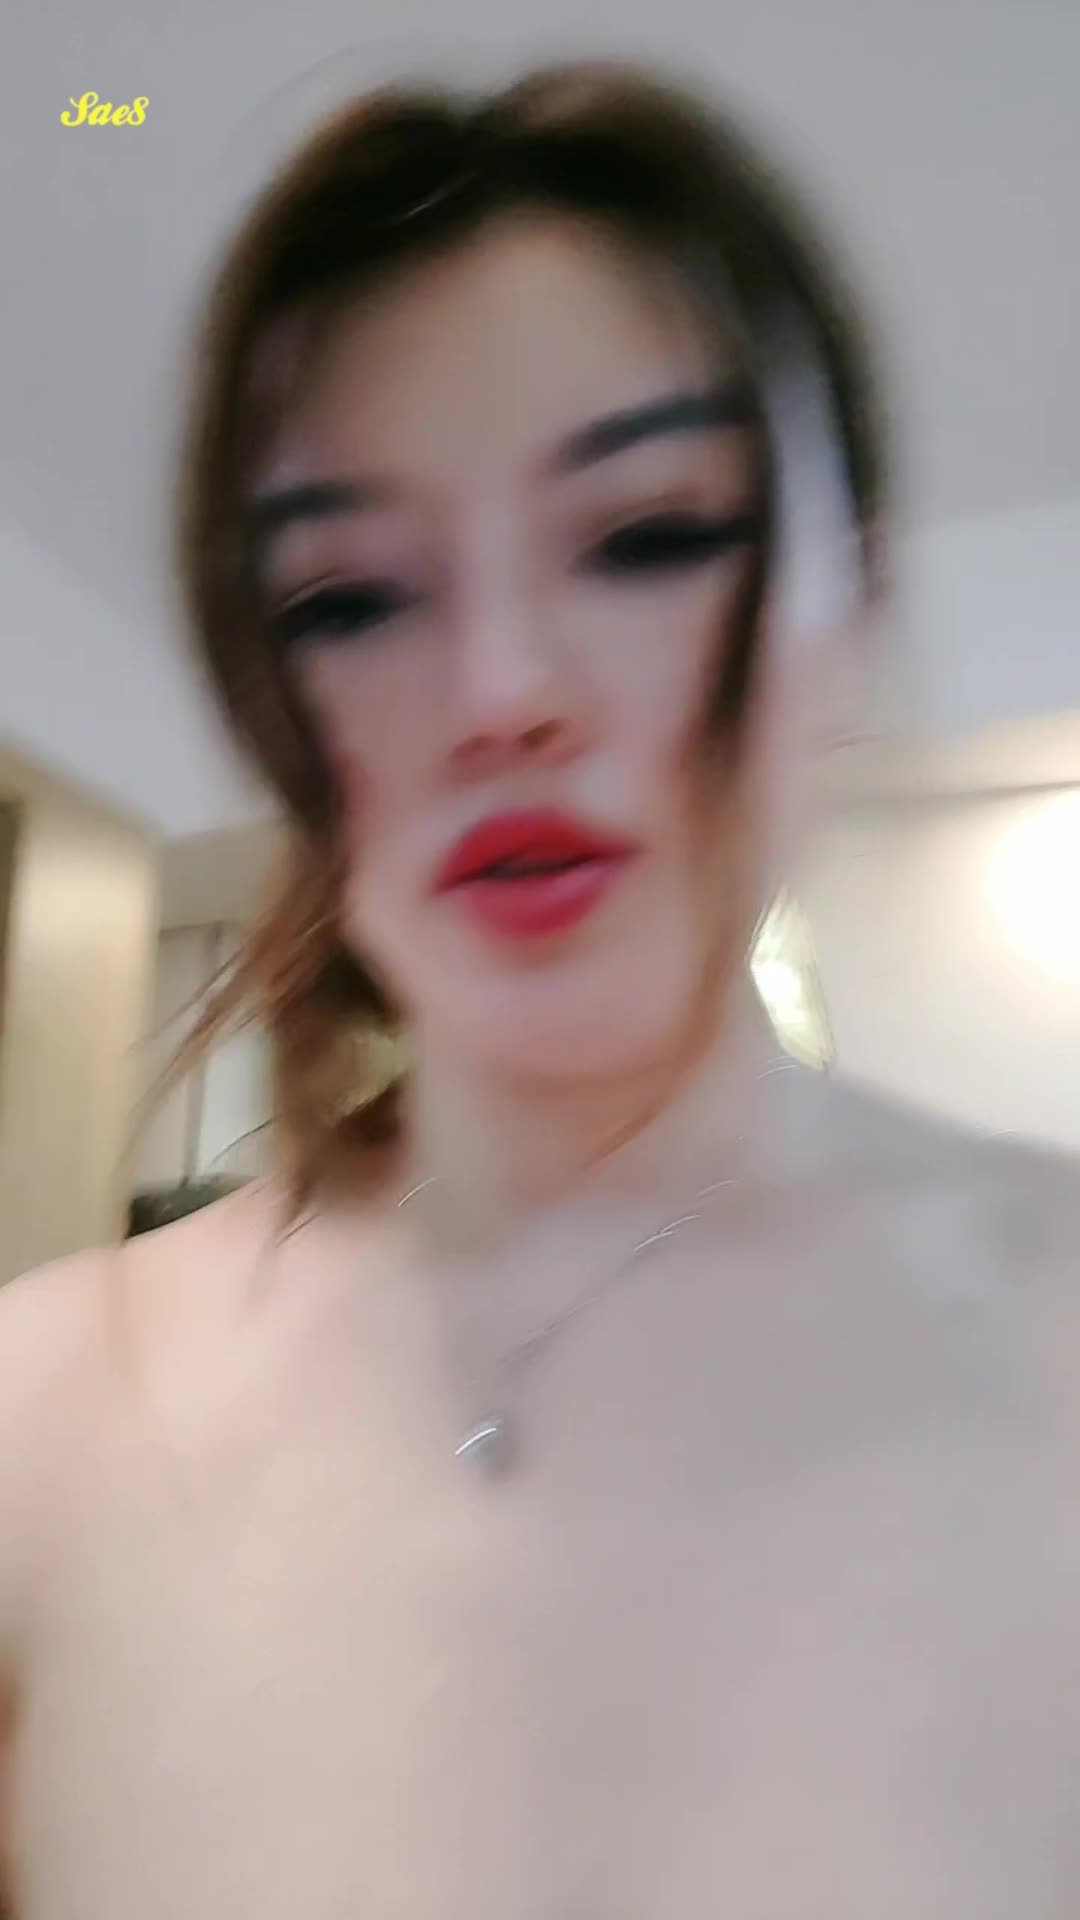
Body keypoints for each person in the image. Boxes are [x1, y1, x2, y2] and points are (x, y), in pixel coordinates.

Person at [1, 61, 1077, 1920]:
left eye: (647, 536)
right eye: (350, 599)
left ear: (852, 610)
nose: (500, 689)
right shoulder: (44, 1419)